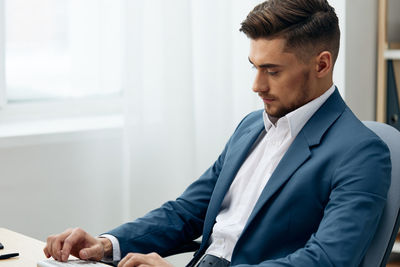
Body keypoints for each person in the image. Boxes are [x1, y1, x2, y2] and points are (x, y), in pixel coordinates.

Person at [43, 0, 392, 266]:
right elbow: (186, 212)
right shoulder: (251, 127)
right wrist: (106, 244)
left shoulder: (361, 152)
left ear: (322, 64)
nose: (256, 85)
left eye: (272, 70)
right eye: (254, 67)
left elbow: (327, 260)